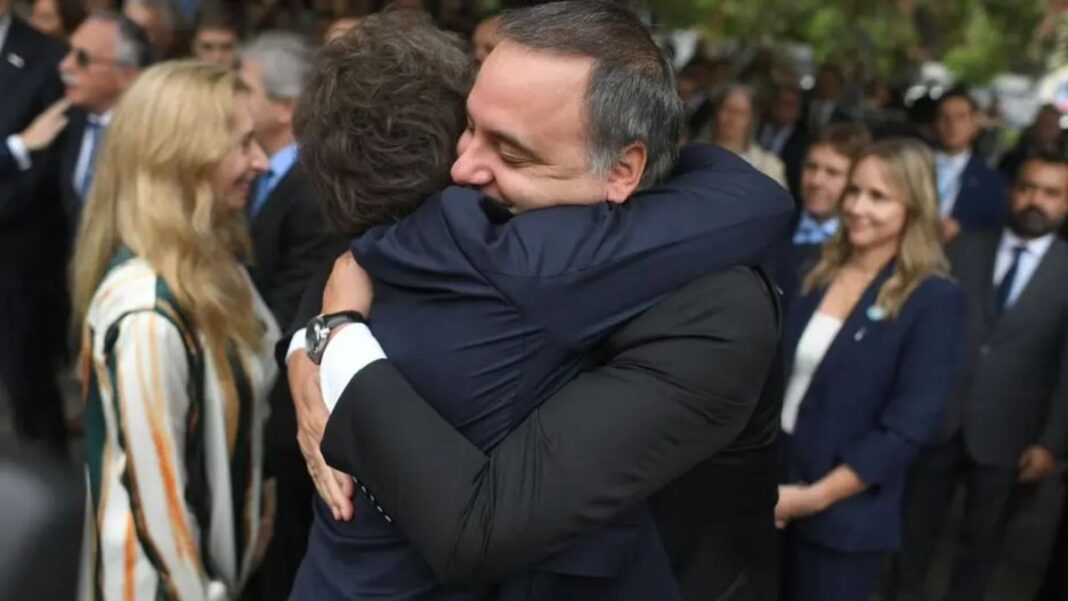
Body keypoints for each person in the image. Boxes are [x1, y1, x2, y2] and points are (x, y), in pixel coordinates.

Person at [293, 4, 789, 601]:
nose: (461, 168)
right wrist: (311, 338)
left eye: (513, 152)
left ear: (623, 169)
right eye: (469, 127)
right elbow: (368, 257)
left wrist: (337, 340)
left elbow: (479, 529)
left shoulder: (715, 307)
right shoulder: (475, 221)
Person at [74, 60, 278, 601]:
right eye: (243, 144)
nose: (260, 161)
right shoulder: (146, 311)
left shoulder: (217, 266)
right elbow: (160, 516)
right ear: (183, 159)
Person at [774, 138, 964, 601]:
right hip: (767, 495)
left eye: (879, 197)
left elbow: (906, 429)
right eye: (854, 190)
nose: (858, 206)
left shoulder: (934, 300)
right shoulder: (810, 267)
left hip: (842, 521)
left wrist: (812, 498)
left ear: (914, 207)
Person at [894, 152, 1068, 601]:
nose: (1036, 201)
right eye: (1028, 188)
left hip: (1011, 434)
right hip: (940, 420)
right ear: (1011, 192)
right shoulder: (963, 247)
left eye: (1051, 193)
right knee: (914, 532)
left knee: (983, 544)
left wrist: (1050, 443)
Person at [238, 31, 338, 601]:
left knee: (282, 553)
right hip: (259, 402)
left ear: (284, 106)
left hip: (280, 405)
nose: (234, 97)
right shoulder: (261, 172)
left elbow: (289, 306)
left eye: (244, 87)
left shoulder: (310, 190)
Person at [0, 0, 69, 450]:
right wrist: (16, 147)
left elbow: (48, 169)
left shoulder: (48, 58)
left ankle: (47, 510)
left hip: (18, 260)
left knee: (30, 392)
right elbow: (29, 150)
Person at [772, 123, 872, 302]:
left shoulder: (864, 246)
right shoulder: (773, 223)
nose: (816, 181)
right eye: (811, 167)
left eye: (832, 173)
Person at [932, 87, 1008, 241]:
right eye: (945, 117)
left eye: (961, 118)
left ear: (976, 124)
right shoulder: (912, 166)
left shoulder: (992, 182)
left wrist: (962, 231)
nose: (952, 125)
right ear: (935, 124)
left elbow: (994, 231)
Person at [705, 83, 787, 186]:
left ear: (751, 119)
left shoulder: (769, 167)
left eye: (740, 113)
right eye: (727, 109)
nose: (732, 119)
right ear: (717, 112)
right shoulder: (694, 155)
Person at [758, 83, 810, 196]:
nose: (781, 107)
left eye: (788, 104)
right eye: (778, 102)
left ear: (798, 111)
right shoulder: (755, 129)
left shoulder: (804, 143)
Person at [998, 104, 1065, 180]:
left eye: (1050, 125)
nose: (1045, 130)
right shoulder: (1012, 158)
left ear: (1059, 130)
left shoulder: (1065, 158)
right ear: (1035, 126)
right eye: (1042, 123)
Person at [190, 4, 241, 68]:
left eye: (226, 47)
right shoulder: (178, 77)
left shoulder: (251, 75)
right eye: (207, 47)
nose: (217, 57)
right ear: (194, 48)